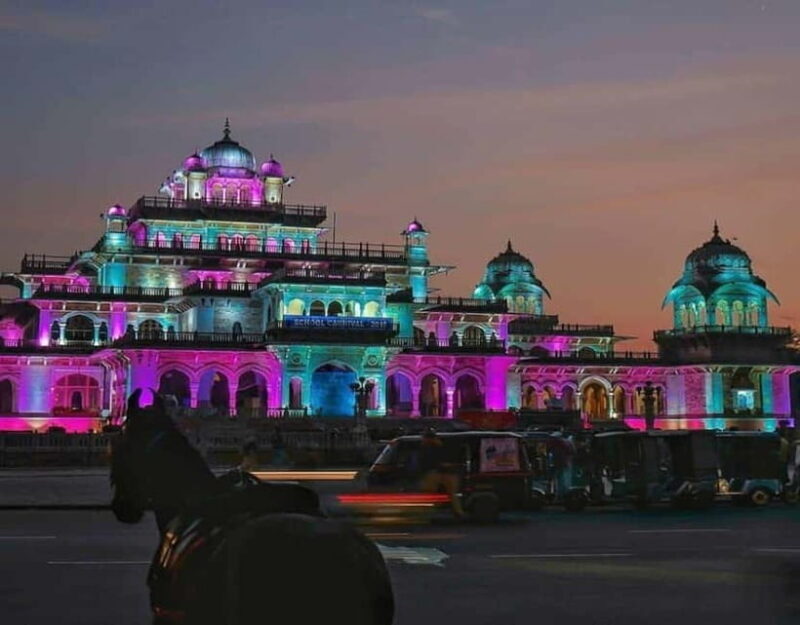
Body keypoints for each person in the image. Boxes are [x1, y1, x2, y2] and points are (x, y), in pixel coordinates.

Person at [418, 429, 465, 519]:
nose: (423, 440)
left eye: (424, 438)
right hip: (444, 472)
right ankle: (457, 512)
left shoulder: (440, 446)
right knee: (447, 493)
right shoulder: (432, 446)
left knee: (442, 492)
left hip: (446, 473)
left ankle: (458, 512)